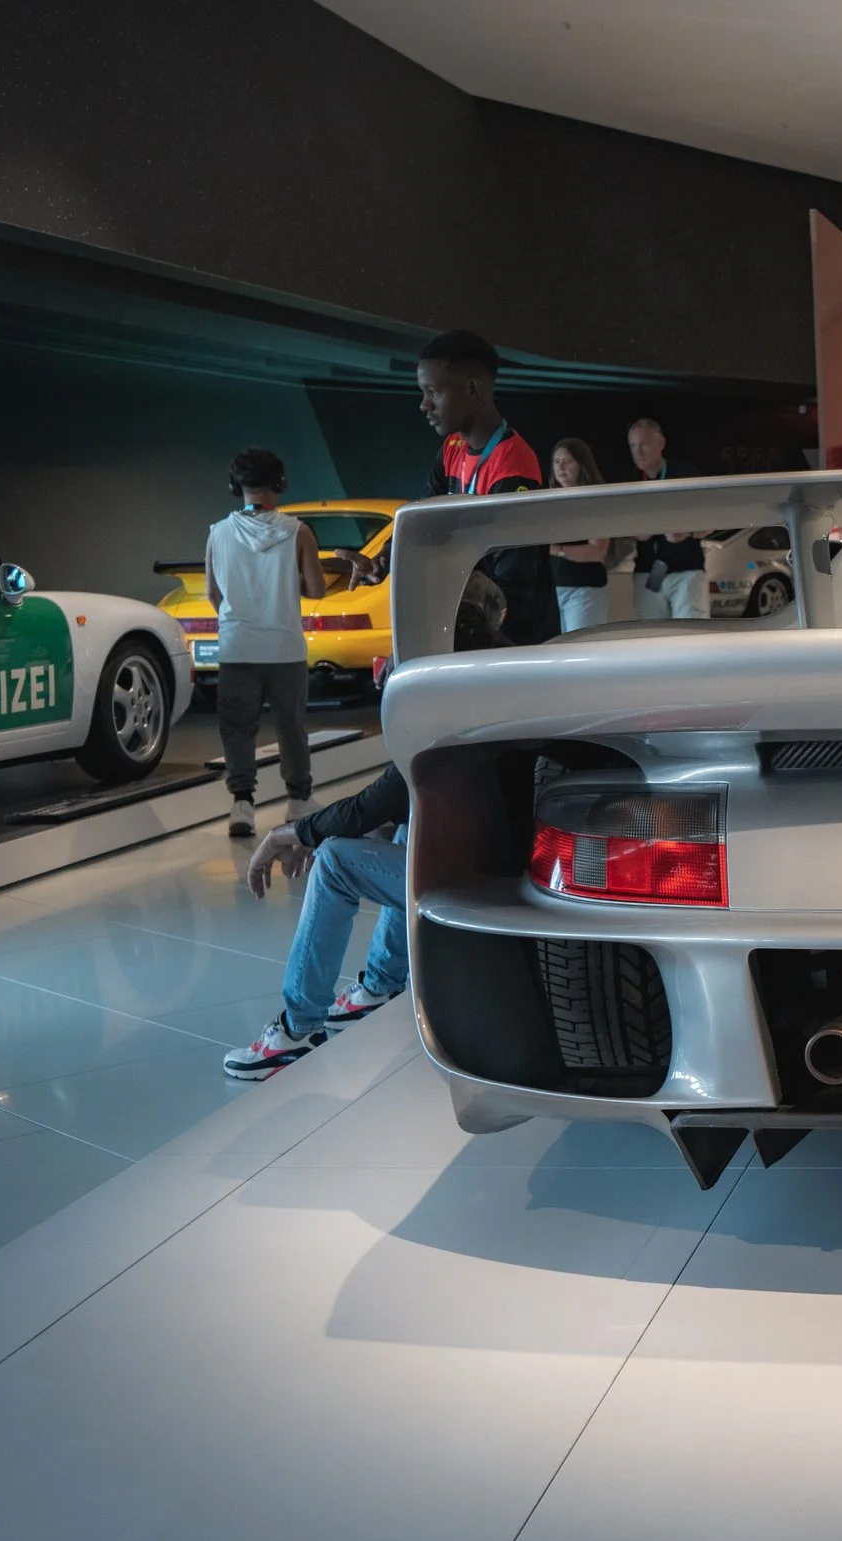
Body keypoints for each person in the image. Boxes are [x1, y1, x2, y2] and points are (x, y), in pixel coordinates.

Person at [222, 572, 511, 1079]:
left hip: (484, 874)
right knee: (399, 830)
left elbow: (382, 795)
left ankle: (298, 1027)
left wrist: (295, 832)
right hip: (505, 853)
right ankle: (379, 986)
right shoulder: (495, 678)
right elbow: (399, 799)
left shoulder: (447, 698)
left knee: (335, 863)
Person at [206, 448, 323, 839]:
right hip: (284, 648)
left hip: (237, 647)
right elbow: (317, 590)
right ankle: (299, 800)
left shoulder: (217, 533)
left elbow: (213, 595)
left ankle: (242, 805)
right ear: (281, 483)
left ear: (234, 485)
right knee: (291, 726)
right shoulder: (298, 532)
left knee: (238, 728)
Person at [417, 329, 559, 645]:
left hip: (511, 647)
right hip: (474, 635)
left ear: (472, 388)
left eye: (433, 392)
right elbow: (425, 521)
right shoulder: (452, 447)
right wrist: (383, 560)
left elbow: (513, 589)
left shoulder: (512, 466)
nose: (424, 405)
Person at [625, 417, 708, 620]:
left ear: (661, 443)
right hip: (648, 571)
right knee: (652, 640)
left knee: (691, 638)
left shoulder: (687, 475)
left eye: (643, 444)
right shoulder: (629, 482)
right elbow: (626, 529)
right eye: (633, 446)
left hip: (686, 569)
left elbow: (710, 521)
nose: (638, 451)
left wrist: (688, 532)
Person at [546, 437, 622, 632]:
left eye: (567, 461)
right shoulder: (547, 502)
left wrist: (558, 550)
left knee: (580, 649)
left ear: (581, 464)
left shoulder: (594, 502)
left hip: (584, 588)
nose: (561, 467)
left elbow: (598, 551)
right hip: (553, 589)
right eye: (556, 462)